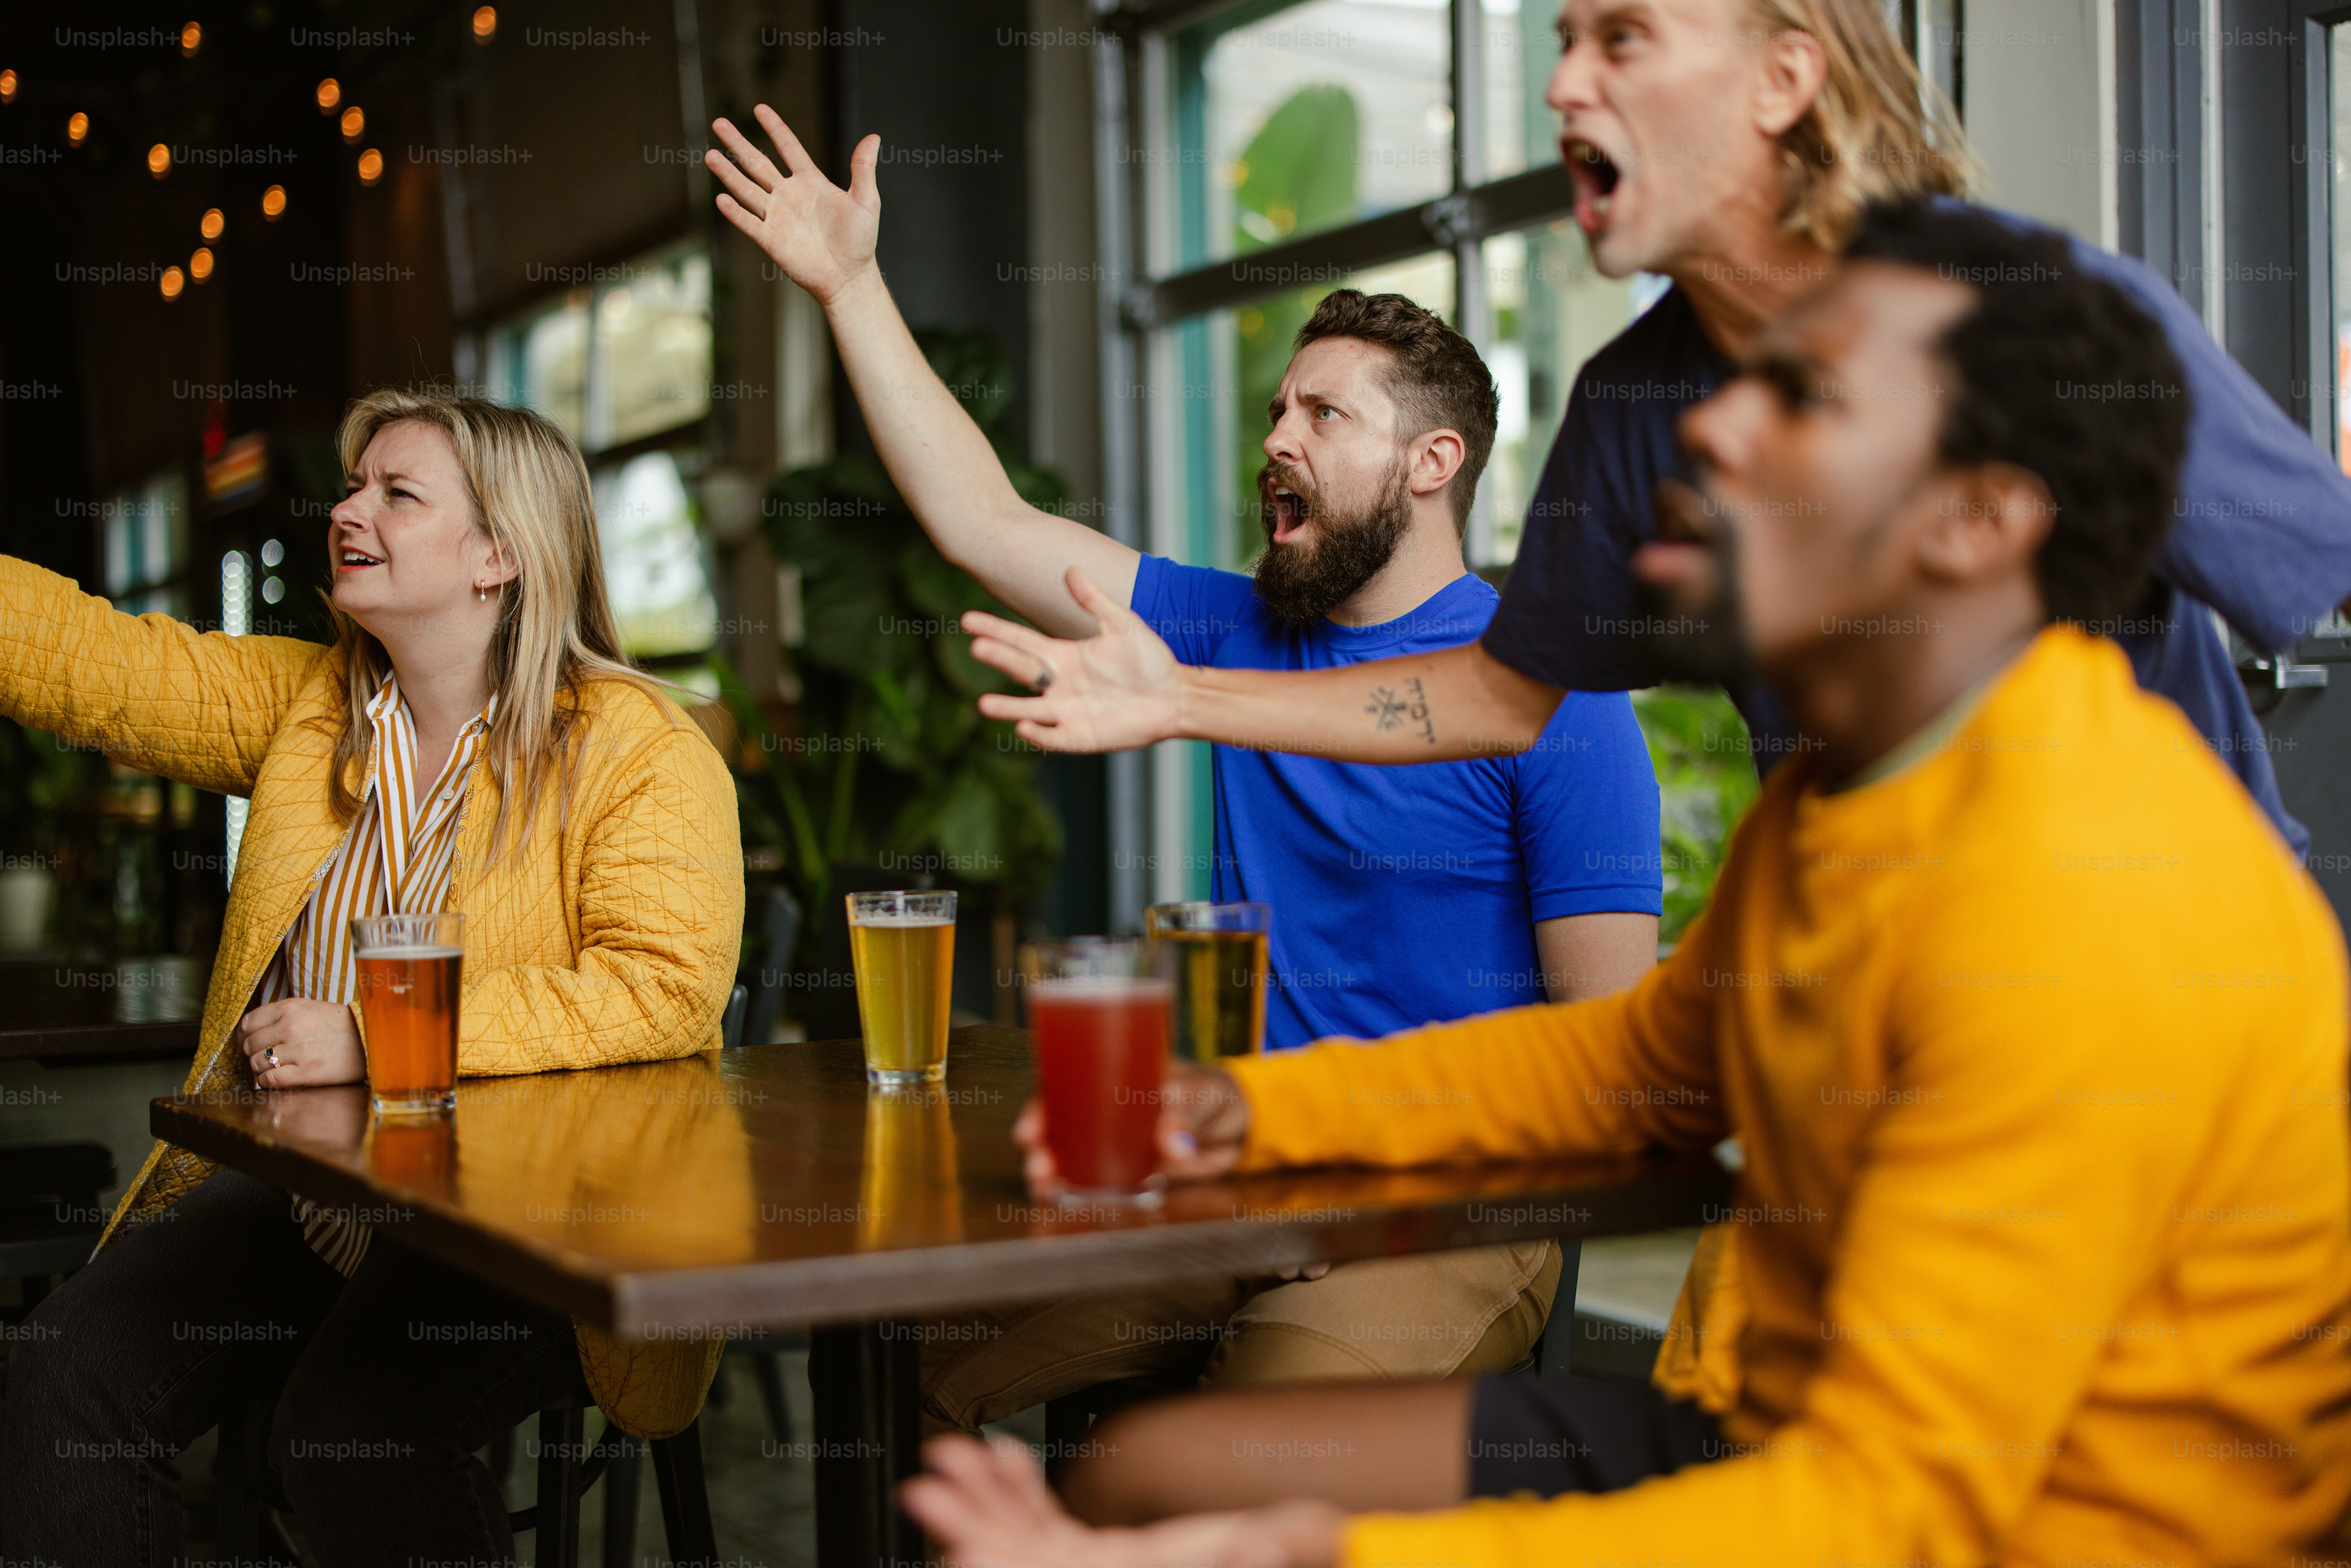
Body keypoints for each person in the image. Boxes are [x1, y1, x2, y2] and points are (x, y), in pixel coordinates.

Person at [948, 0, 2351, 1431]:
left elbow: (2318, 569)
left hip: (2159, 1037)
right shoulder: (1632, 406)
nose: (1563, 82)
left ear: (1783, 77)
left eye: (1623, 40)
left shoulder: (2032, 316)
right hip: (1856, 1026)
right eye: (1563, 38)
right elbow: (1494, 701)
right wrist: (1182, 694)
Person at [704, 107, 1664, 1425]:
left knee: (1212, 1458)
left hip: (1446, 1211)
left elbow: (1605, 1065)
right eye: (1278, 407)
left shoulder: (1555, 692)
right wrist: (852, 285)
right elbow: (981, 519)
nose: (1278, 435)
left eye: (1324, 412)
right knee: (900, 1355)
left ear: (1431, 463)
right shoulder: (1225, 626)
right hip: (1225, 1180)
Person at [0, 390, 744, 1566]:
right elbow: (97, 661)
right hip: (323, 1198)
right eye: (355, 486)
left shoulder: (639, 747)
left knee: (352, 1428)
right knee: (65, 1372)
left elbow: (660, 990)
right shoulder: (312, 707)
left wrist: (383, 1033)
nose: (350, 508)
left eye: (399, 492)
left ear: (499, 553)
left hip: (535, 1224)